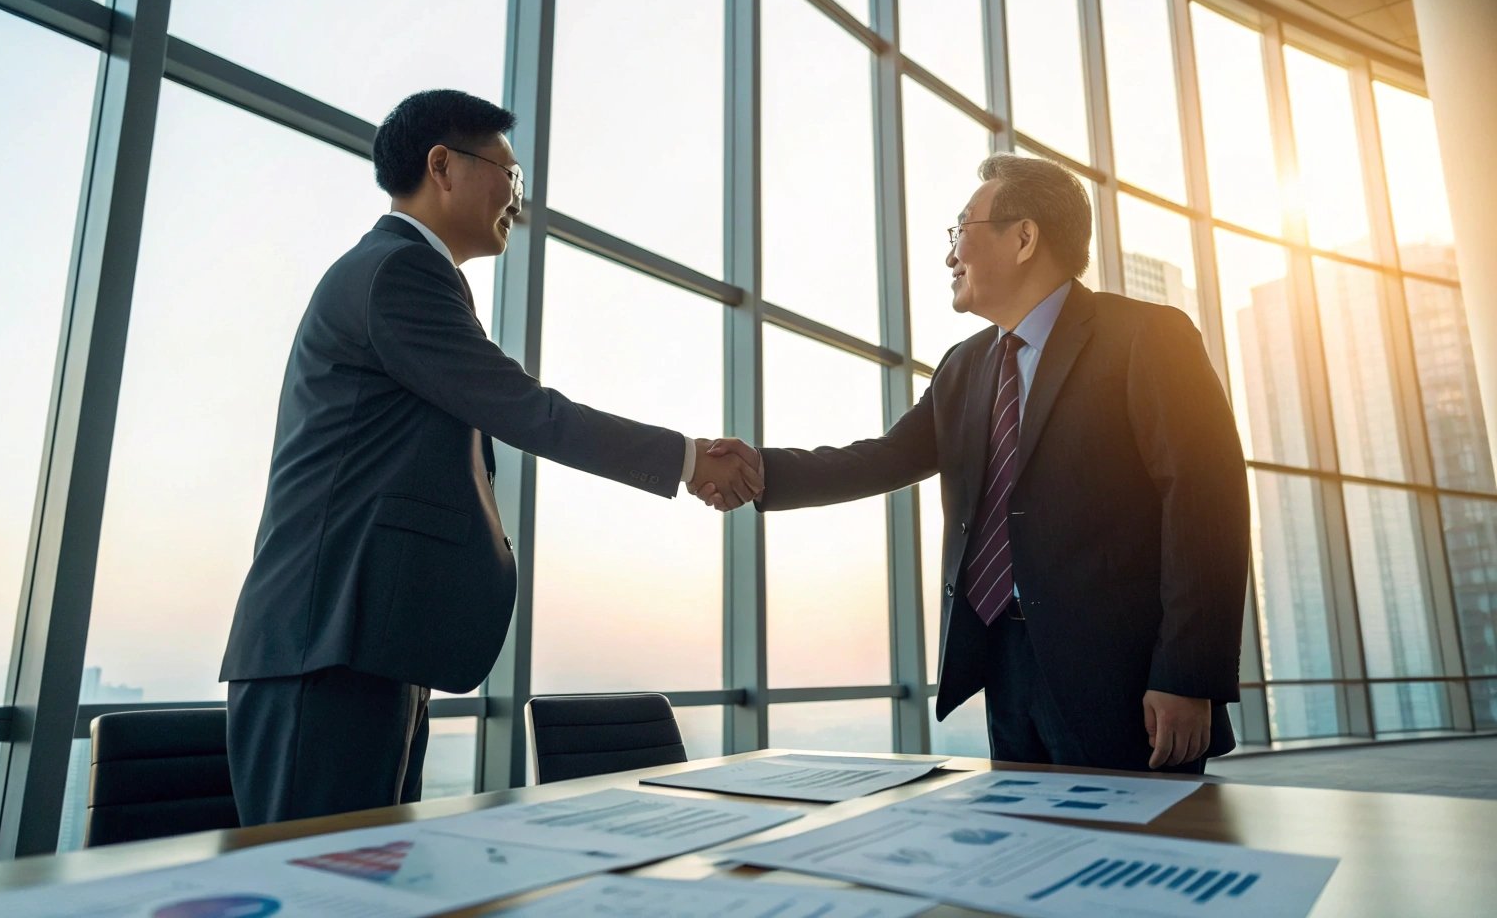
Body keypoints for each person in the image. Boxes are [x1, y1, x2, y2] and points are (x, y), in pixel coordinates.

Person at [220, 89, 761, 824]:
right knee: (319, 889)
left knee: (364, 886)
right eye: (508, 174)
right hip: (326, 645)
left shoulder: (408, 273)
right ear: (443, 166)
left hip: (362, 644)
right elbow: (527, 410)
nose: (517, 196)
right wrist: (692, 459)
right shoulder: (399, 273)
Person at [701, 153, 1248, 774]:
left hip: (1124, 677)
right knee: (1026, 857)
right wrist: (758, 471)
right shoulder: (964, 366)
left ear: (1023, 238)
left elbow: (1208, 503)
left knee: (1136, 861)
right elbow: (882, 459)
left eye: (961, 230)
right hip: (1003, 659)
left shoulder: (1148, 337)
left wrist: (1186, 674)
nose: (950, 254)